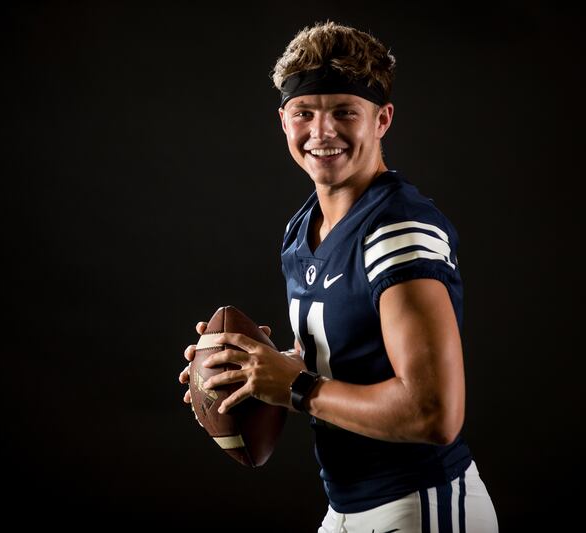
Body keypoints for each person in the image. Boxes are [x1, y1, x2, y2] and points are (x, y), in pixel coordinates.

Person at [178, 20, 498, 533]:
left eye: (344, 112)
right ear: (284, 120)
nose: (321, 132)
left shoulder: (397, 230)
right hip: (347, 507)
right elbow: (345, 359)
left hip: (422, 504)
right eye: (304, 113)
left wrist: (297, 388)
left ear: (382, 120)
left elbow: (435, 412)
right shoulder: (303, 228)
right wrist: (254, 370)